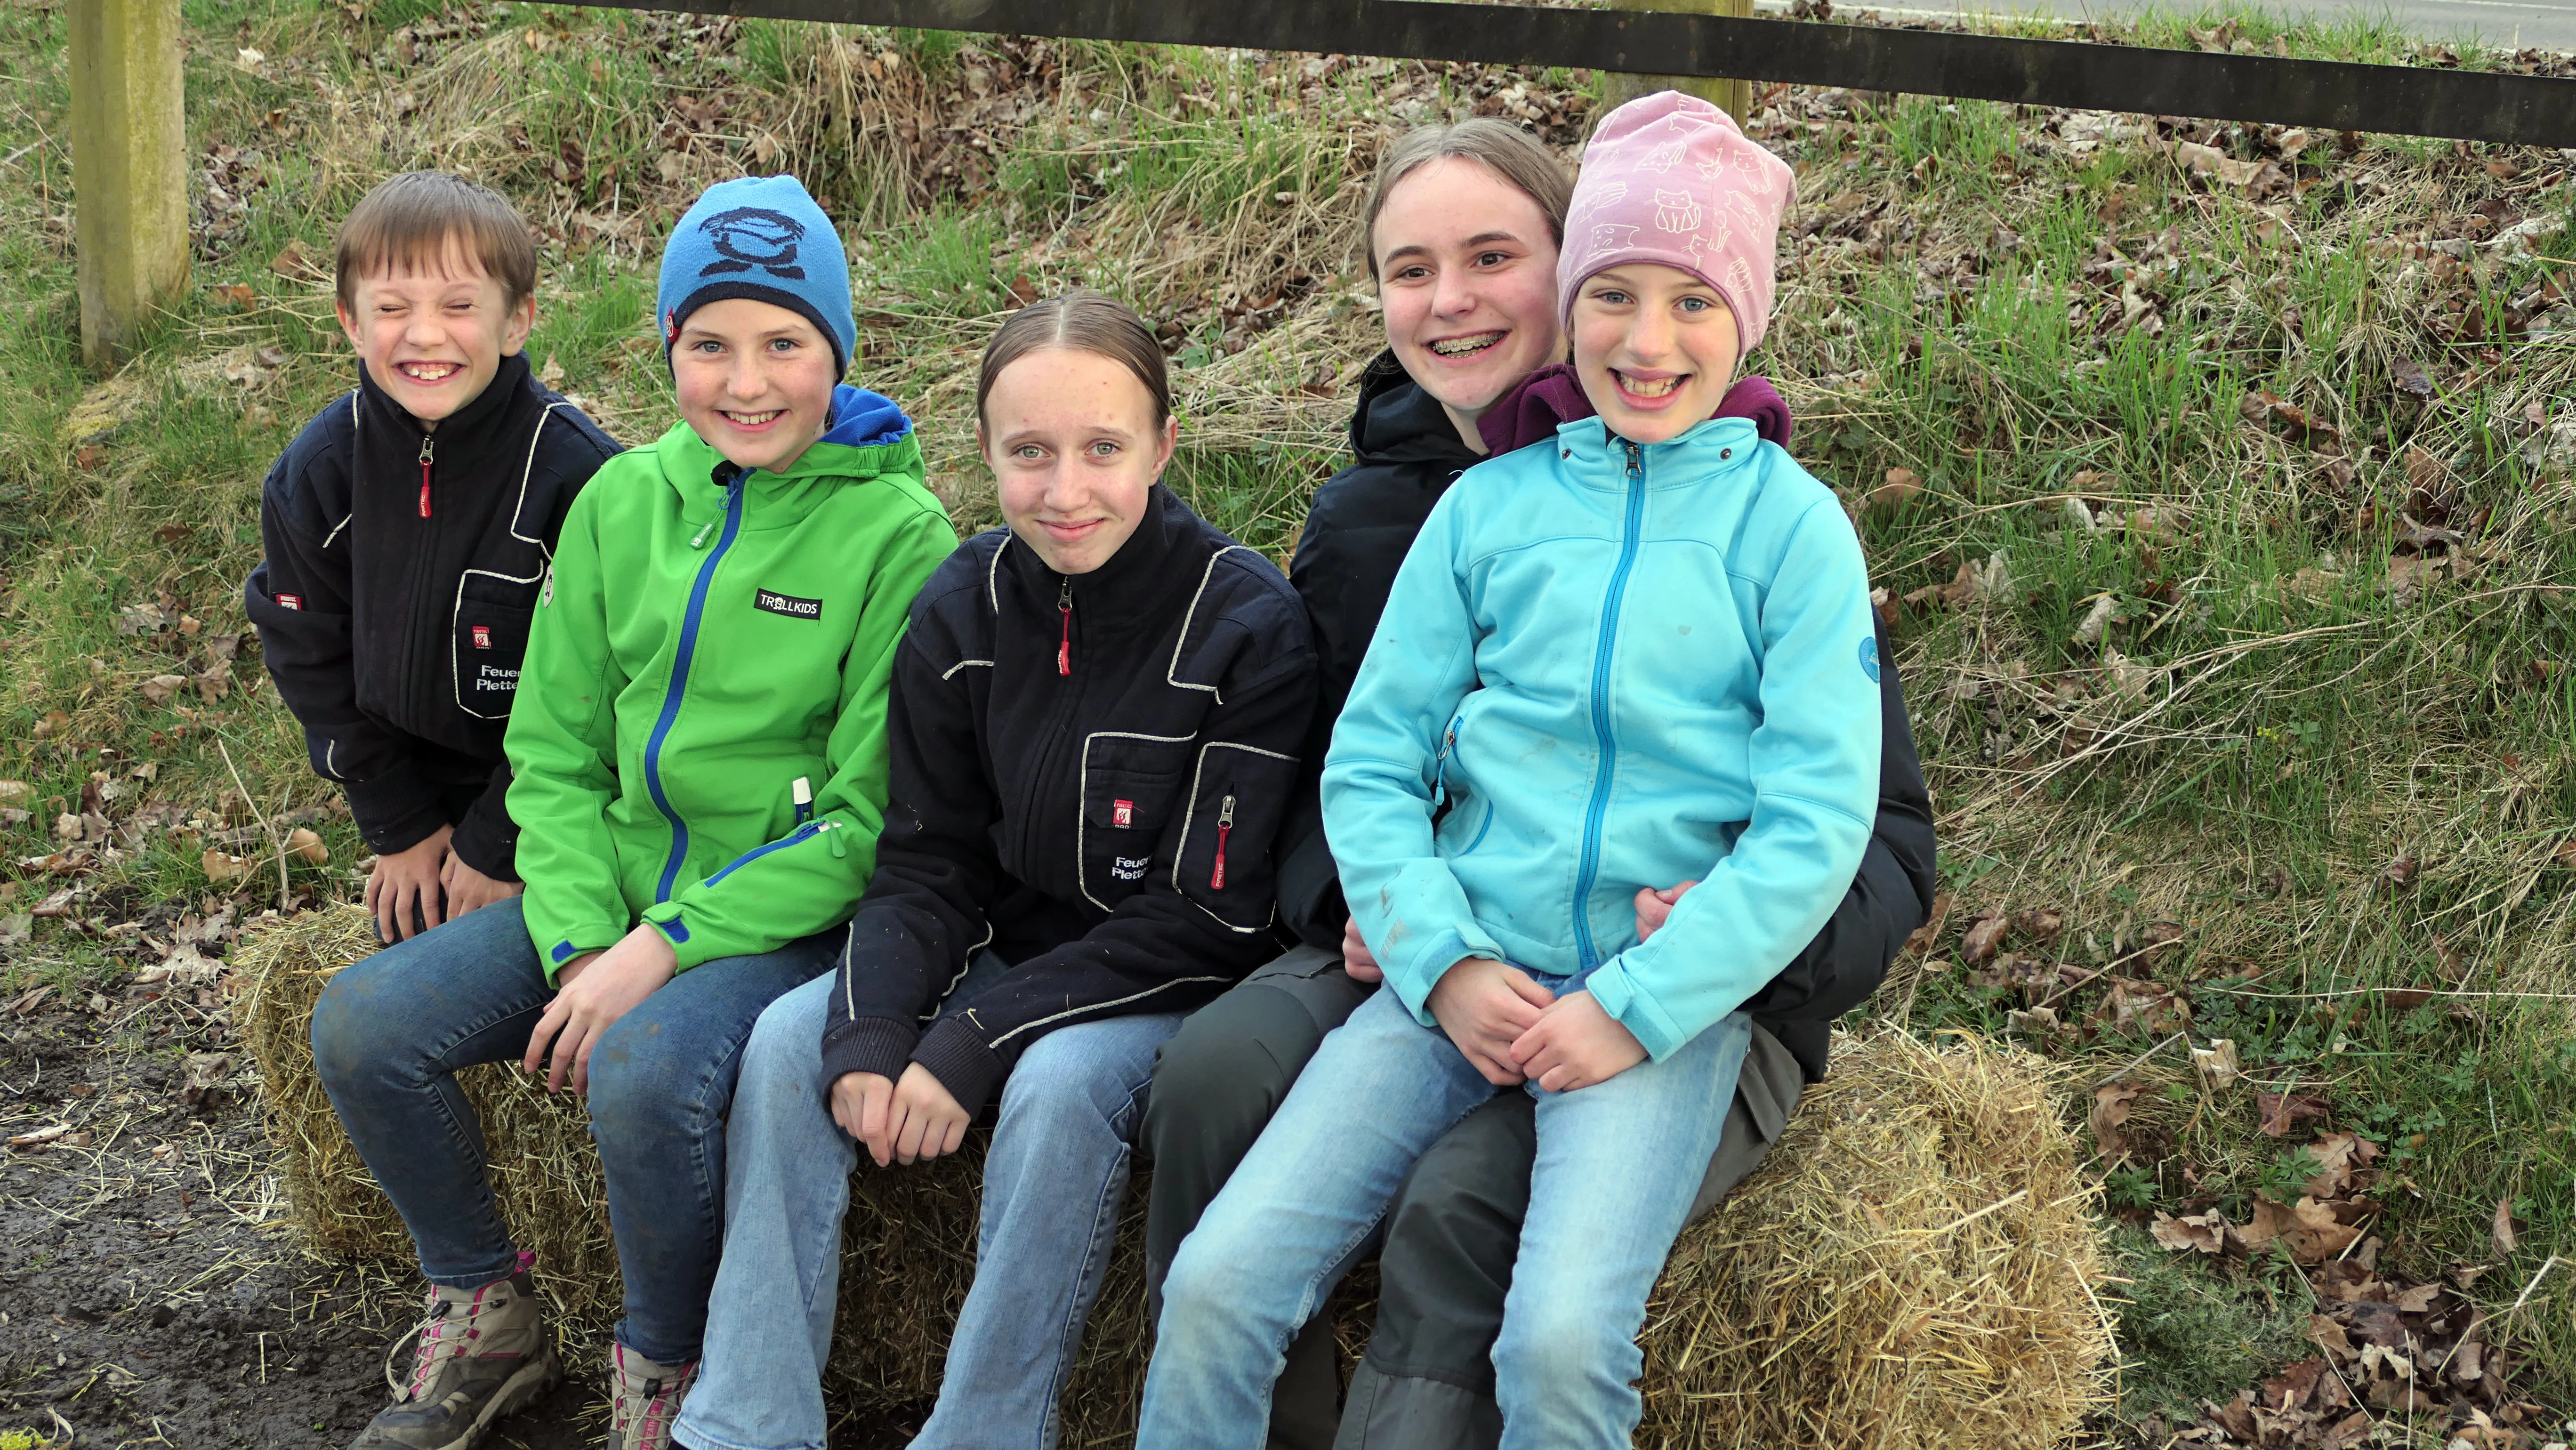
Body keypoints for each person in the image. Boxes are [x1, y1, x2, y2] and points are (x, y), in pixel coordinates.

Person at [1139, 119, 1934, 1448]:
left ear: (1748, 318)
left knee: (1562, 1342)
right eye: (1615, 295)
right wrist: (1438, 956)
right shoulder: (1484, 509)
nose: (1649, 339)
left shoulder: (1793, 529)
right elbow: (1371, 759)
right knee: (1221, 1281)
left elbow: (1824, 819)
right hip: (1457, 979)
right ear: (1577, 303)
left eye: (1695, 302)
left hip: (1657, 1011)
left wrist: (1640, 1003)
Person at [307, 174, 957, 1450]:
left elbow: (866, 823)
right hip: (610, 891)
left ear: (839, 350)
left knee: (647, 1071)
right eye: (708, 344)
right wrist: (579, 939)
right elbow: (550, 752)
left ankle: (665, 1357)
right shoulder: (620, 502)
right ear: (668, 347)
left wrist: (658, 950)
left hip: (779, 917)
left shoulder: (903, 537)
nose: (746, 382)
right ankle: (486, 1304)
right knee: (362, 1026)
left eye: (784, 344)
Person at [669, 291, 1316, 1450]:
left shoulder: (1247, 626)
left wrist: (973, 1040)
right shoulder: (960, 605)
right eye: (1030, 453)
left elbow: (1209, 917)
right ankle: (745, 1424)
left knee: (1059, 1087)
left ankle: (985, 1429)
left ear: (1163, 446)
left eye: (1103, 449)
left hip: (1161, 982)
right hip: (1001, 945)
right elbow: (926, 856)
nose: (1065, 491)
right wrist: (877, 1028)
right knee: (789, 1044)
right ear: (985, 452)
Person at [246, 170, 620, 945]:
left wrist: (500, 839)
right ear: (351, 323)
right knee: (398, 965)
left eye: (458, 306)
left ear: (517, 322)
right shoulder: (319, 476)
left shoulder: (582, 480)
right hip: (409, 787)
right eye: (392, 309)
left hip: (556, 797)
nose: (423, 335)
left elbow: (612, 681)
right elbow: (307, 653)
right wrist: (400, 822)